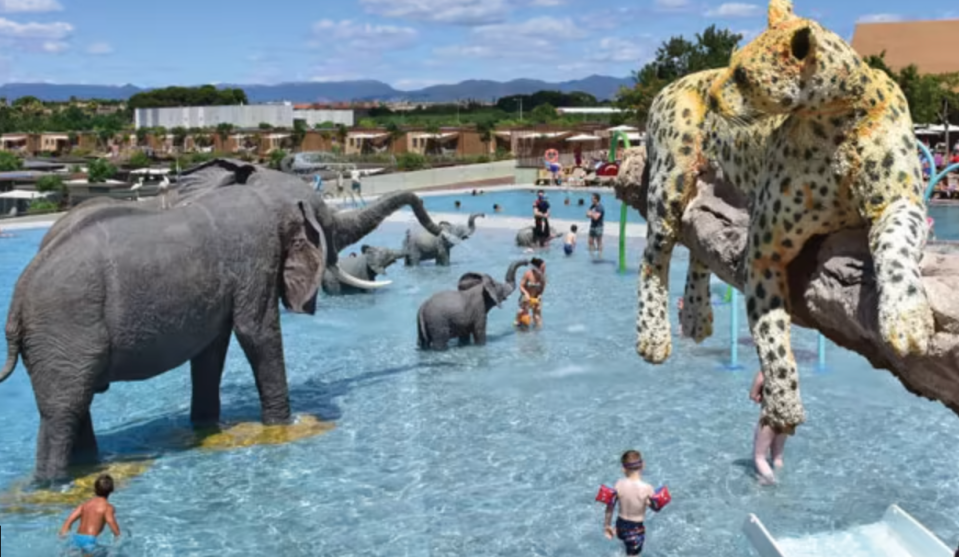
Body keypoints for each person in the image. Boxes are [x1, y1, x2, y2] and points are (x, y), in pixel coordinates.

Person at [603, 450, 654, 556]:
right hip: (635, 529)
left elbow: (610, 507)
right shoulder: (647, 488)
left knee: (626, 545)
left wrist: (607, 525)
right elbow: (655, 507)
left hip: (619, 526)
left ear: (623, 468)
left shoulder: (618, 484)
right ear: (643, 465)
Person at [59, 474, 121, 555]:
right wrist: (118, 541)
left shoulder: (85, 505)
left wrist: (63, 535)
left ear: (95, 489)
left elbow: (68, 521)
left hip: (76, 538)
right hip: (89, 542)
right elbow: (115, 530)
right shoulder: (107, 508)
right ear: (111, 490)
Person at [750, 370, 788, 484]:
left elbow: (756, 389)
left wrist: (754, 394)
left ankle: (771, 482)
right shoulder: (790, 367)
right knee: (777, 456)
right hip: (786, 415)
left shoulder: (768, 365)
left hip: (770, 415)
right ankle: (781, 481)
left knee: (759, 457)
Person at [515, 257, 546, 329]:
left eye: (544, 268)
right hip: (526, 298)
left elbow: (542, 290)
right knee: (525, 319)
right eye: (542, 268)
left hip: (535, 298)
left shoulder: (543, 278)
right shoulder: (528, 274)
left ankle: (538, 334)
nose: (544, 270)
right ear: (536, 267)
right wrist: (526, 294)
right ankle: (518, 322)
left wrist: (539, 296)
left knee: (537, 315)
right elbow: (521, 286)